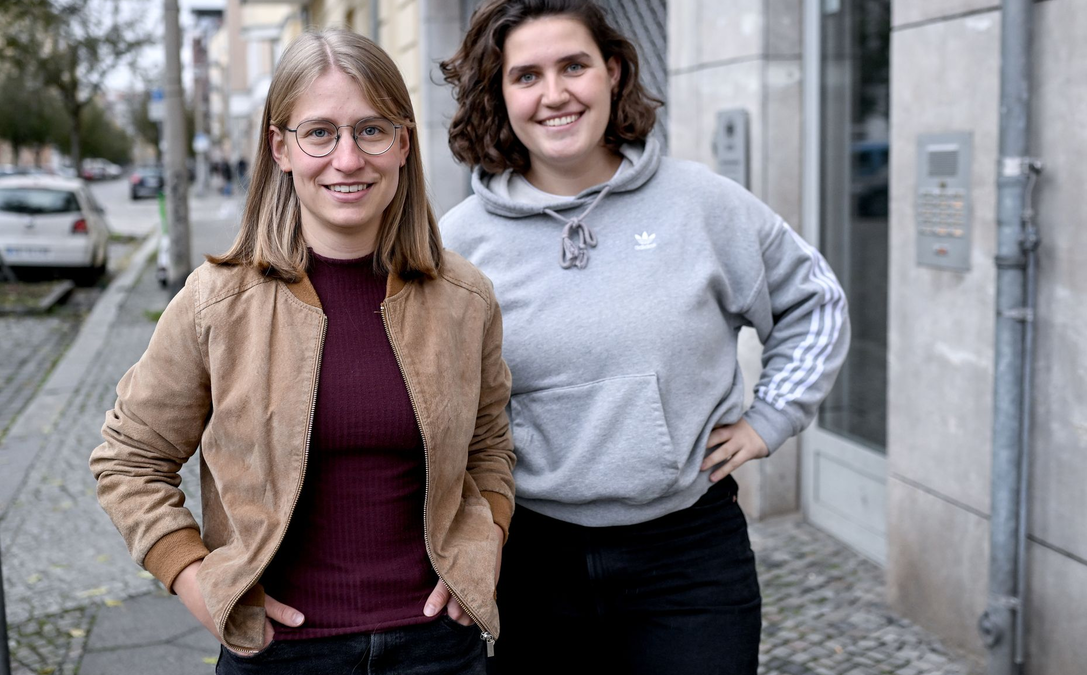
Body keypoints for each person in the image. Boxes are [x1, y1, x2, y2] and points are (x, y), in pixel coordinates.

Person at [439, 1, 850, 673]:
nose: (555, 94)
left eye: (574, 66)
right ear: (499, 93)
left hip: (688, 556)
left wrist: (771, 417)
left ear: (614, 70)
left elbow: (817, 303)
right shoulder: (458, 243)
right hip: (534, 555)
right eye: (527, 75)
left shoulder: (702, 203)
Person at [91, 28, 514, 675]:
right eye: (320, 133)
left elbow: (489, 447)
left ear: (403, 143)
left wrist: (487, 546)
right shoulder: (217, 302)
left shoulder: (463, 297)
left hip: (437, 651)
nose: (347, 159)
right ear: (279, 147)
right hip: (279, 655)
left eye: (371, 130)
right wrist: (196, 580)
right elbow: (129, 458)